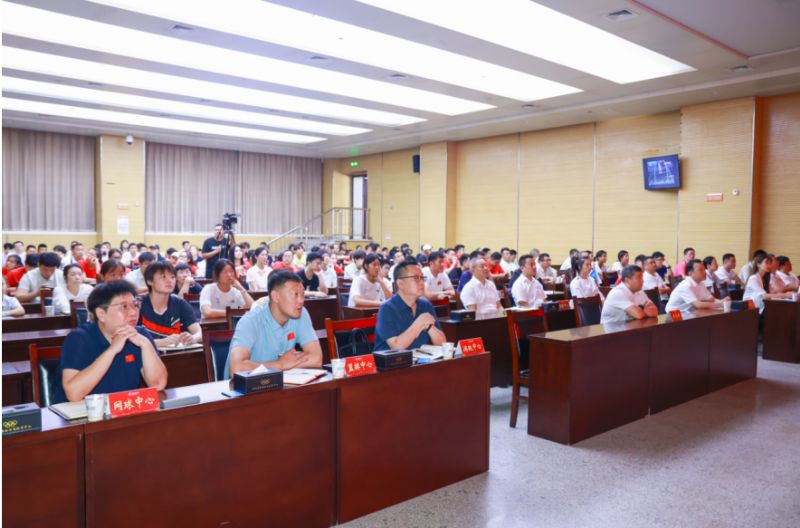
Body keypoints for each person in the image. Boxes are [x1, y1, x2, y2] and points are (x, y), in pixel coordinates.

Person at [53, 280, 167, 403]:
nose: (134, 312)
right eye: (124, 307)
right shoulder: (79, 339)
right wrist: (112, 350)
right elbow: (74, 394)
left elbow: (158, 384)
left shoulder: (140, 335)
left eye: (135, 305)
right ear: (101, 314)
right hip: (81, 412)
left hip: (121, 409)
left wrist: (146, 344)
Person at [225, 271, 322, 378]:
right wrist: (280, 364)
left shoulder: (301, 314)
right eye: (295, 294)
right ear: (275, 296)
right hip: (246, 386)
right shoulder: (250, 321)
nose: (301, 301)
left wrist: (284, 365)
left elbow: (316, 358)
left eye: (302, 294)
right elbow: (236, 369)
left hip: (280, 383)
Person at [373, 261, 446, 351]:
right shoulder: (387, 308)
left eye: (422, 278)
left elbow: (442, 344)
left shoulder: (426, 305)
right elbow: (396, 346)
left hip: (422, 358)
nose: (422, 282)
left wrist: (429, 327)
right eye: (416, 278)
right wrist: (419, 323)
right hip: (394, 359)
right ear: (400, 283)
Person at [139, 262, 202, 348]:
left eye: (172, 277)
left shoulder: (180, 303)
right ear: (149, 281)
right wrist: (162, 342)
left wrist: (192, 338)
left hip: (176, 355)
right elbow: (130, 338)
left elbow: (199, 332)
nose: (170, 281)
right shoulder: (137, 305)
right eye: (163, 277)